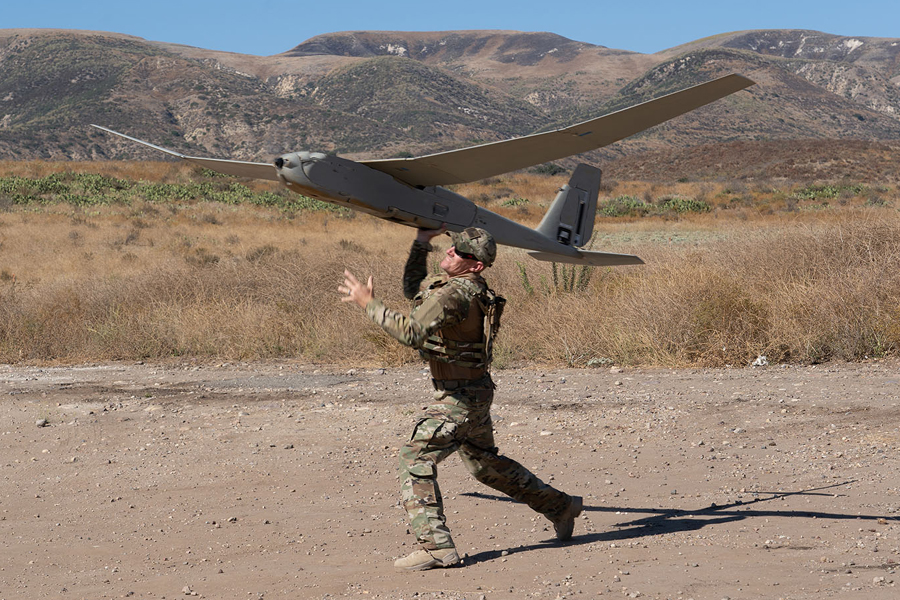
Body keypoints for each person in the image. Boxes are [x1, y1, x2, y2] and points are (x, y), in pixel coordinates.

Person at [339, 226, 583, 571]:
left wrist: (369, 304)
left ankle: (437, 547)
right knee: (485, 465)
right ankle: (559, 506)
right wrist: (422, 242)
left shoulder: (456, 295)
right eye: (451, 247)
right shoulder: (459, 289)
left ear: (476, 265)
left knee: (415, 457)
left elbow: (410, 333)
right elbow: (413, 289)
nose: (451, 252)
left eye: (459, 252)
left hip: (461, 397)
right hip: (473, 392)